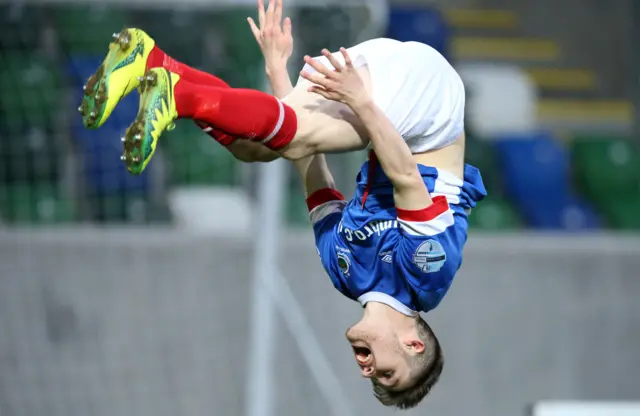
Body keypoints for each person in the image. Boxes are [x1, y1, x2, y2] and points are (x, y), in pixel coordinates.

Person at [78, 0, 486, 408]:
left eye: (373, 379)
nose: (368, 371)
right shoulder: (426, 278)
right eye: (386, 373)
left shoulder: (344, 270)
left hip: (389, 103)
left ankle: (151, 60)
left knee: (252, 149)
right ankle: (177, 98)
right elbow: (406, 178)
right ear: (413, 344)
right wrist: (361, 102)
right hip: (430, 105)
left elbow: (308, 165)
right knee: (293, 136)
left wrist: (278, 73)